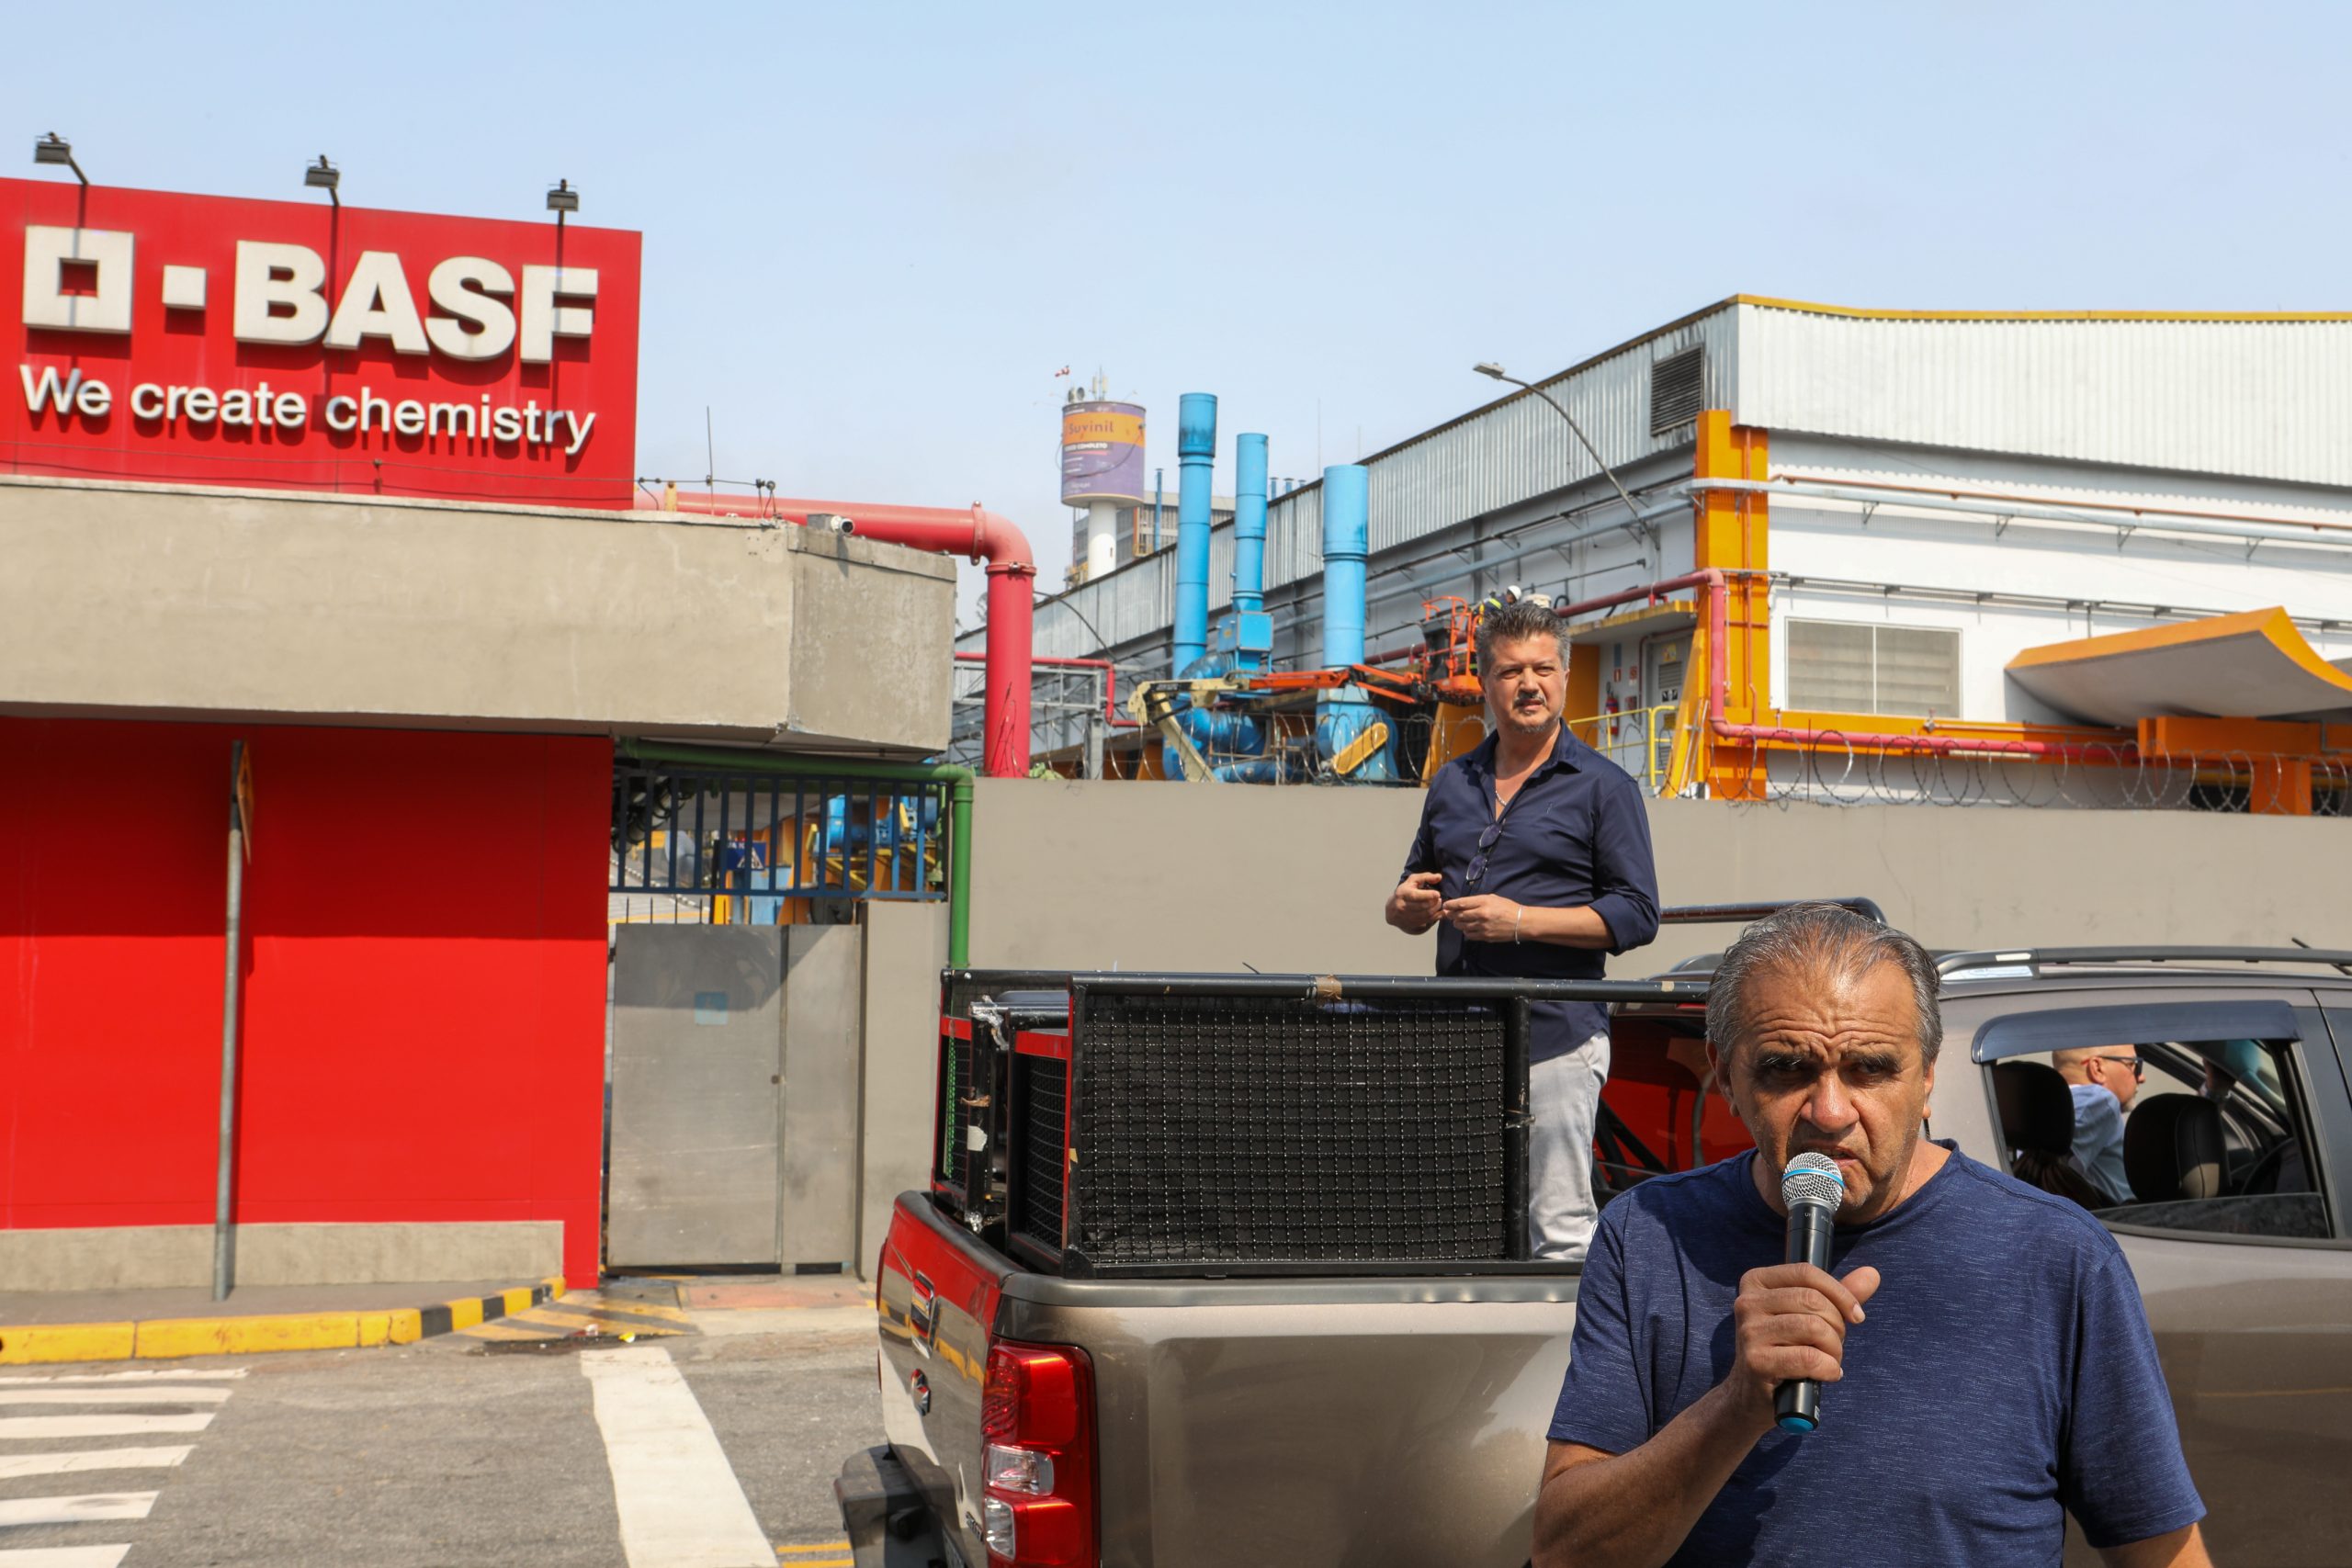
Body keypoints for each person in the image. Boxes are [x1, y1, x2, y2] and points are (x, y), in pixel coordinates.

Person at [1533, 903, 2209, 1568]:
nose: (1830, 1111)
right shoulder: (1649, 1235)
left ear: (1927, 1076)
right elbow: (1565, 1550)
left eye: (1870, 1068)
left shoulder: (2058, 1256)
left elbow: (2162, 1551)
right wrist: (1735, 1407)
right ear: (1726, 1075)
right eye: (1786, 1067)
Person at [1385, 598, 1658, 1261]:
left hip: (1558, 1038)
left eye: (1543, 668)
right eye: (1511, 671)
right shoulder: (1451, 782)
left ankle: (1576, 1368)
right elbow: (1412, 888)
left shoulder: (1604, 787)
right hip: (1460, 1039)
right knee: (1461, 1225)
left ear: (1563, 676)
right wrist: (1404, 909)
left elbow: (1637, 913)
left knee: (1560, 1235)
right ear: (1486, 682)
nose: (1529, 683)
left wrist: (1517, 921)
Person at [2053, 1044, 2142, 1204]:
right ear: (2097, 1068)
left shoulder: (2047, 1105)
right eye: (2133, 1065)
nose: (2141, 1077)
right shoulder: (2099, 1099)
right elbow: (2054, 1167)